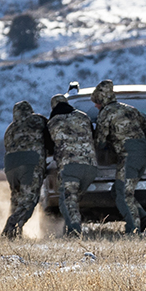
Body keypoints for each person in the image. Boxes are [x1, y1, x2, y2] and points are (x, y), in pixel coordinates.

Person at [91, 79, 146, 235]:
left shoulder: (105, 114)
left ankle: (134, 230)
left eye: (96, 102)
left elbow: (99, 141)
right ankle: (145, 220)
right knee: (119, 190)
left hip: (129, 157)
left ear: (101, 100)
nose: (95, 106)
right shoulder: (130, 109)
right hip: (142, 156)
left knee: (122, 195)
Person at [47, 94, 98, 237]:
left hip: (70, 167)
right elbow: (93, 136)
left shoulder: (53, 122)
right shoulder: (83, 117)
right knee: (71, 199)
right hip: (91, 167)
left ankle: (74, 233)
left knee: (67, 200)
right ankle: (68, 228)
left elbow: (49, 146)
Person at [2, 100, 52, 239]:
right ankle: (11, 226)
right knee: (29, 200)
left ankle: (15, 233)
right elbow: (50, 139)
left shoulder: (10, 128)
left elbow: (7, 146)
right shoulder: (38, 120)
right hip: (30, 162)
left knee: (16, 198)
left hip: (10, 165)